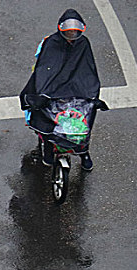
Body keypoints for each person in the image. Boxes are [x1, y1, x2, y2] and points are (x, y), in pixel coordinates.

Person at [20, 9, 101, 171]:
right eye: (69, 31)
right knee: (44, 115)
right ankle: (48, 147)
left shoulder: (84, 44)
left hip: (76, 90)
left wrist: (91, 94)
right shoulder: (50, 43)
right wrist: (44, 92)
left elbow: (87, 70)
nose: (72, 34)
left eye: (75, 32)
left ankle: (84, 152)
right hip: (52, 90)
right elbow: (44, 69)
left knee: (83, 120)